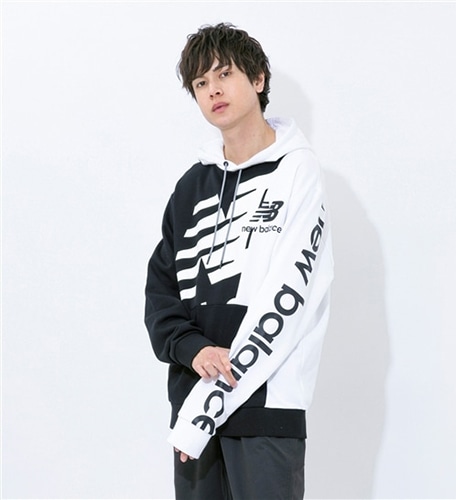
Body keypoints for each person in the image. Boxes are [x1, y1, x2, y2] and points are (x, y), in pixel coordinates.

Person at [144, 22, 334, 500]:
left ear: (258, 79)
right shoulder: (191, 186)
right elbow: (161, 291)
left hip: (263, 409)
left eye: (224, 74)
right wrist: (193, 350)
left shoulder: (297, 172)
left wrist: (209, 403)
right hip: (195, 405)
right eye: (201, 83)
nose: (213, 90)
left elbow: (290, 296)